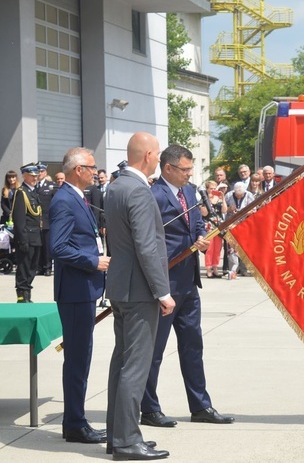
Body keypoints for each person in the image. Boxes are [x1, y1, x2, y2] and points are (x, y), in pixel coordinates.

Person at [140, 144, 235, 431]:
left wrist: (201, 237)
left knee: (193, 346)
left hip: (188, 283)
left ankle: (200, 405)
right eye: (185, 169)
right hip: (165, 283)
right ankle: (149, 408)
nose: (189, 174)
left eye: (191, 169)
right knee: (154, 350)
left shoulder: (189, 192)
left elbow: (196, 224)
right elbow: (149, 240)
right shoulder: (153, 195)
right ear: (168, 168)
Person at [104, 132, 175, 460]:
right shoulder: (138, 191)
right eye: (158, 153)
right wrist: (162, 291)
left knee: (121, 364)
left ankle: (119, 437)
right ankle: (127, 442)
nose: (159, 158)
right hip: (139, 291)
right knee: (135, 367)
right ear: (147, 155)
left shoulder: (116, 187)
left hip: (121, 287)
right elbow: (147, 246)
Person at [50, 147, 110, 444]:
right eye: (91, 166)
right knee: (76, 359)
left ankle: (76, 420)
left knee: (81, 357)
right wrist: (92, 261)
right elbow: (58, 247)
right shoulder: (64, 200)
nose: (96, 171)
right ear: (78, 170)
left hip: (84, 289)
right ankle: (74, 423)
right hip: (75, 291)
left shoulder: (77, 197)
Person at [12, 163, 43, 303]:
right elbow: (19, 220)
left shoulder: (32, 192)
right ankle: (22, 297)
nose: (35, 178)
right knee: (24, 268)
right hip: (27, 238)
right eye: (32, 175)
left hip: (36, 236)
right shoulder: (21, 193)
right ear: (24, 175)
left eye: (36, 175)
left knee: (32, 267)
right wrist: (23, 240)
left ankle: (27, 294)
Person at [200, 180, 226, 279]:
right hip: (208, 226)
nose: (213, 190)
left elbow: (224, 210)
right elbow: (204, 214)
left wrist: (222, 199)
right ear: (206, 190)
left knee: (217, 248)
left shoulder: (218, 199)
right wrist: (209, 201)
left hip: (218, 226)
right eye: (211, 188)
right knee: (209, 249)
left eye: (215, 188)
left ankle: (215, 267)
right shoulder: (204, 200)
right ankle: (208, 269)